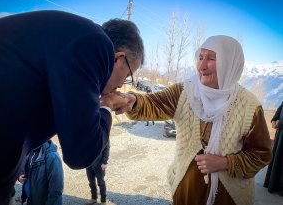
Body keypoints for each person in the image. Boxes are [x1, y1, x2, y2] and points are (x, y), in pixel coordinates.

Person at [0, 10, 144, 205]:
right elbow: (81, 152)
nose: (121, 85)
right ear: (119, 58)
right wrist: (106, 106)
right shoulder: (96, 45)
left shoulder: (73, 43)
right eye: (127, 75)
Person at [103, 35, 272, 205]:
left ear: (229, 63)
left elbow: (261, 154)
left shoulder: (249, 106)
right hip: (186, 191)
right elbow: (154, 103)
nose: (201, 66)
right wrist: (131, 101)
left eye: (210, 58)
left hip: (229, 197)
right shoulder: (185, 92)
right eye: (200, 57)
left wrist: (226, 163)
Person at [18, 140, 63, 205]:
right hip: (29, 200)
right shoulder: (30, 150)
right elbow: (22, 167)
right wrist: (20, 176)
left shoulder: (52, 157)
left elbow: (56, 192)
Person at [264, 101, 283, 195]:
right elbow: (281, 108)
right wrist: (274, 120)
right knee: (277, 159)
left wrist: (281, 123)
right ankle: (274, 184)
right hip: (281, 135)